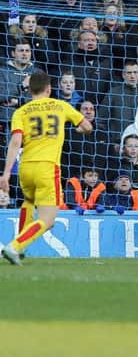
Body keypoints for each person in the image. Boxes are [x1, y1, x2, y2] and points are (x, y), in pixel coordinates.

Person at [1, 72, 92, 265]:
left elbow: (16, 141)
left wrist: (7, 172)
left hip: (25, 167)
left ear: (30, 89)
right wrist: (76, 129)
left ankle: (20, 248)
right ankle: (15, 246)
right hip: (48, 167)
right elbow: (87, 126)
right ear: (49, 89)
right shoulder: (60, 106)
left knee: (29, 200)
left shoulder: (21, 112)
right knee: (48, 219)